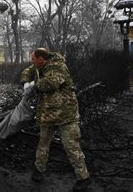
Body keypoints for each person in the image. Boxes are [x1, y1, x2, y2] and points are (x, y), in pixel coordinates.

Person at [21, 48, 91, 191]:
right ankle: (38, 170)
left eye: (34, 59)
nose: (32, 62)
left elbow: (50, 84)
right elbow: (27, 71)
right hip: (48, 114)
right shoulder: (40, 64)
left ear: (41, 59)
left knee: (71, 146)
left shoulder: (58, 66)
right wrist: (25, 82)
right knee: (43, 143)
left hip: (66, 114)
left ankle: (83, 178)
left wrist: (34, 84)